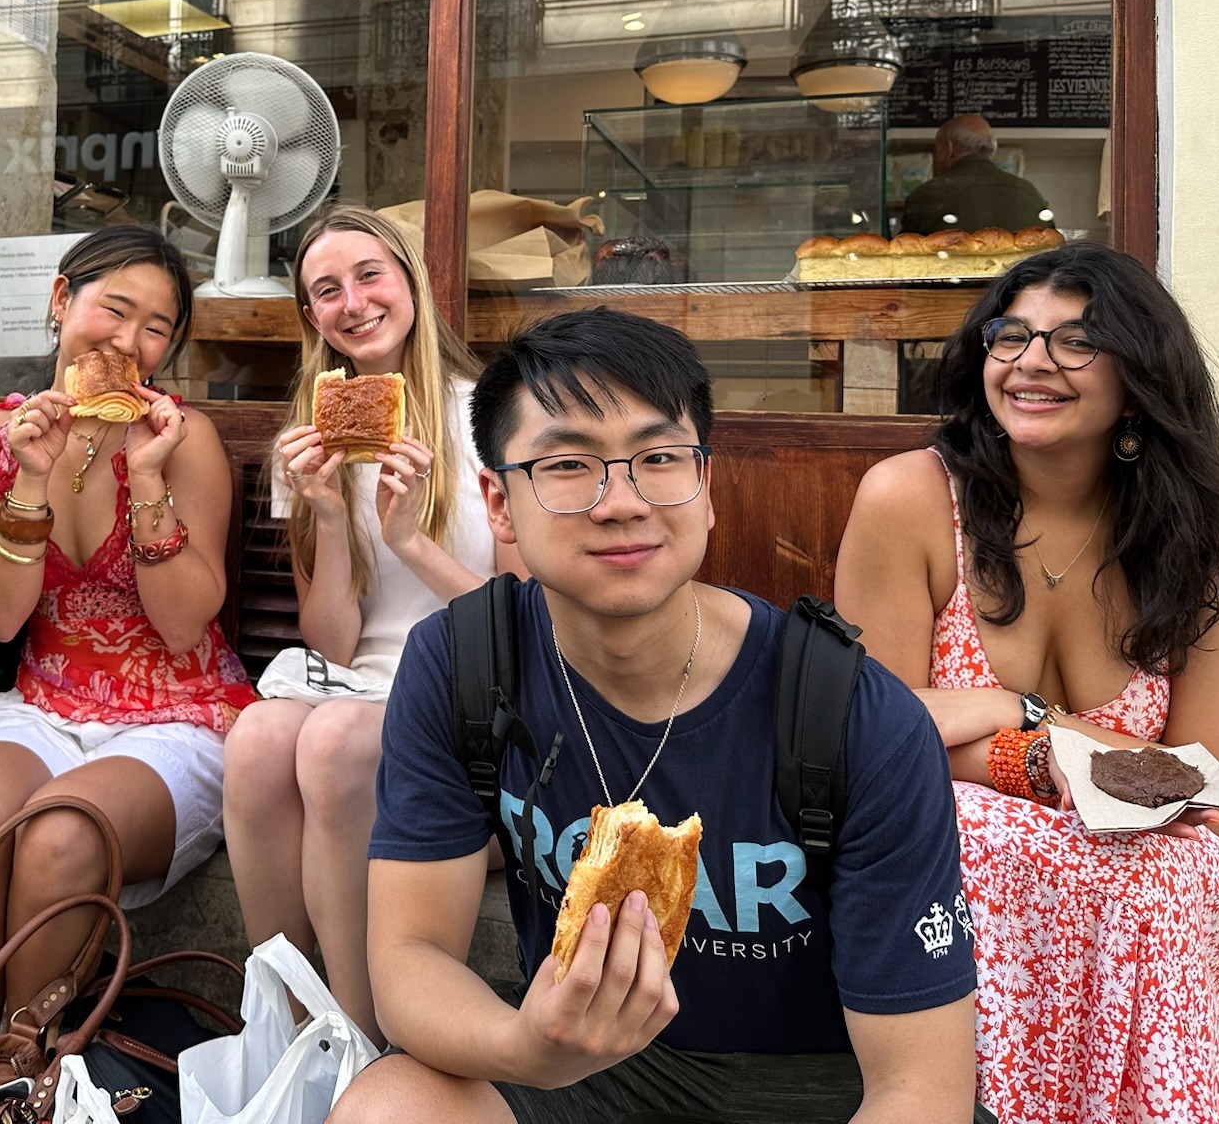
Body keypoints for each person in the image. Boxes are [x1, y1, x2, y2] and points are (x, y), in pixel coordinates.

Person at [333, 307, 981, 1124]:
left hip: (820, 1089)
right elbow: (410, 955)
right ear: (499, 504)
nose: (621, 501)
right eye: (569, 464)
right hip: (590, 1070)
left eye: (658, 457)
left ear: (706, 488)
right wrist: (525, 1046)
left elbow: (919, 1092)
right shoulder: (463, 662)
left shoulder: (853, 715)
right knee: (392, 1107)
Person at [834, 239, 1219, 1124]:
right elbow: (861, 738)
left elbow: (1213, 794)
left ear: (1140, 381)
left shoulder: (1199, 544)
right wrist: (1033, 731)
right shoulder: (910, 499)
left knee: (1190, 876)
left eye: (1076, 341)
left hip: (1136, 869)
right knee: (1017, 845)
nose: (1032, 362)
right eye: (1011, 336)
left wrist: (997, 730)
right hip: (945, 863)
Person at [0, 225, 257, 1030]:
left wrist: (145, 478)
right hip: (46, 704)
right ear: (62, 300)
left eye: (157, 327)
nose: (130, 341)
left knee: (61, 838)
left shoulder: (184, 439)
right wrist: (29, 482)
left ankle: (29, 1077)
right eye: (116, 310)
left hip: (175, 714)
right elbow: (1, 615)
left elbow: (181, 626)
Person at [222, 206, 523, 1044]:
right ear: (311, 317)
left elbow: (522, 626)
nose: (352, 302)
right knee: (253, 741)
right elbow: (333, 644)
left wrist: (411, 544)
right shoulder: (309, 443)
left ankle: (358, 1037)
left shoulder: (495, 420)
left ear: (412, 285)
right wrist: (323, 514)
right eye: (326, 290)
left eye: (369, 276)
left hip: (476, 694)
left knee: (331, 744)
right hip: (360, 679)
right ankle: (281, 1030)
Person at [900, 114, 1055, 236]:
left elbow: (907, 253)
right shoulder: (1027, 191)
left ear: (949, 149)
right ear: (991, 149)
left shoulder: (927, 194)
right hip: (1020, 276)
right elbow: (1050, 246)